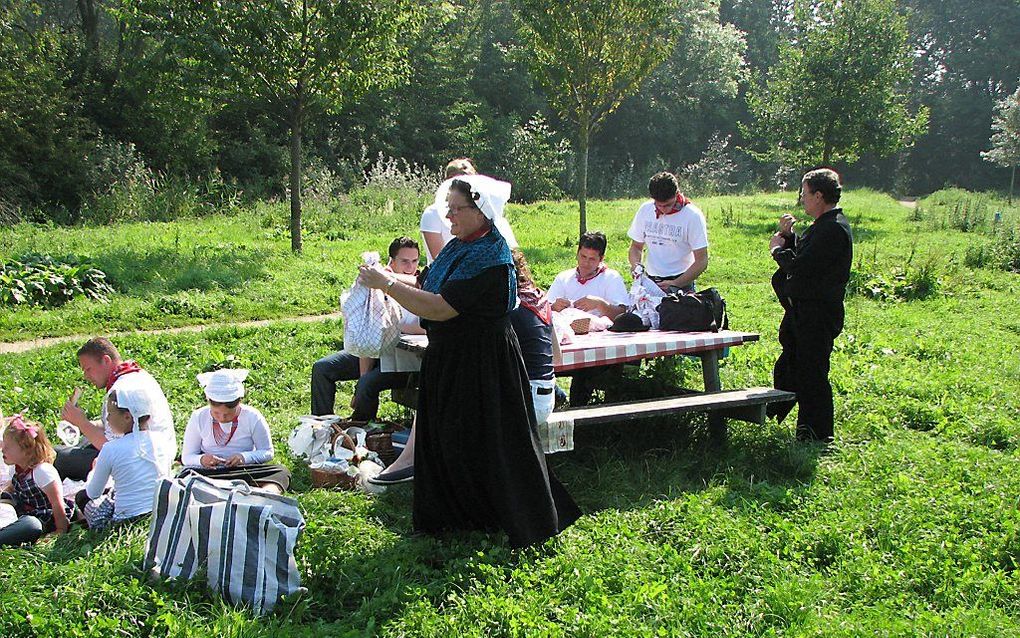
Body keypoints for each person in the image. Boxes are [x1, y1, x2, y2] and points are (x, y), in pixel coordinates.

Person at [358, 175, 580, 548]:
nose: (449, 216)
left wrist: (388, 285)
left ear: (482, 211)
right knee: (448, 437)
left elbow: (442, 308)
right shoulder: (459, 246)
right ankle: (456, 518)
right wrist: (385, 277)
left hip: (483, 363)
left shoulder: (492, 258)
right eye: (449, 207)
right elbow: (429, 287)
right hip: (451, 357)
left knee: (494, 440)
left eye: (457, 208)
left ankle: (515, 517)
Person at [768, 168, 853, 443]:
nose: (801, 199)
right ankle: (800, 427)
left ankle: (817, 435)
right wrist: (790, 237)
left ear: (819, 195)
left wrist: (777, 251)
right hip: (803, 314)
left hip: (817, 314)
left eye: (804, 194)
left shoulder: (833, 228)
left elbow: (801, 267)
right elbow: (806, 255)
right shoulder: (822, 226)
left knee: (813, 374)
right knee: (795, 368)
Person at [310, 236, 426, 420]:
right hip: (376, 352)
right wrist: (361, 379)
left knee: (368, 382)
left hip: (406, 360)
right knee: (322, 368)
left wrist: (400, 326)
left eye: (414, 261)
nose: (410, 268)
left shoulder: (421, 285)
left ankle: (362, 426)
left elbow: (430, 324)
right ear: (391, 262)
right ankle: (322, 427)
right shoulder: (379, 286)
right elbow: (367, 335)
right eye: (404, 261)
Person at [55, 337, 176, 481]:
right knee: (82, 442)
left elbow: (111, 448)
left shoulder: (120, 391)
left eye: (88, 369)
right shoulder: (137, 375)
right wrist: (81, 422)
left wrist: (82, 423)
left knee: (57, 455)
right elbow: (114, 427)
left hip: (139, 464)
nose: (86, 376)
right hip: (155, 451)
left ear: (106, 360)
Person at [77, 382, 173, 530]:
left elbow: (93, 493)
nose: (107, 419)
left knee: (82, 497)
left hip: (125, 520)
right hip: (160, 511)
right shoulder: (161, 439)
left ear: (127, 416)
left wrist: (93, 472)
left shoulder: (111, 449)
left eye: (110, 413)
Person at [179, 369, 291, 493]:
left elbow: (267, 452)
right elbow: (187, 457)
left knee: (281, 472)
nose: (222, 418)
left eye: (227, 414)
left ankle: (265, 495)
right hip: (210, 471)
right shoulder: (199, 416)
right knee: (185, 474)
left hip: (243, 469)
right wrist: (202, 460)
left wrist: (244, 457)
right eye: (216, 413)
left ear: (239, 403)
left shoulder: (252, 416)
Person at [420, 158, 517, 263]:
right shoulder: (432, 215)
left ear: (478, 211)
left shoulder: (492, 251)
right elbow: (438, 263)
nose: (448, 216)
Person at [628, 171, 709, 292]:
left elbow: (702, 260)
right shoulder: (645, 210)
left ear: (677, 194)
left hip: (682, 282)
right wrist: (636, 267)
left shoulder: (692, 216)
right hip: (650, 281)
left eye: (667, 205)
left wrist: (676, 283)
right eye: (658, 205)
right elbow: (636, 247)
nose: (663, 209)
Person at [0, 414, 75, 547]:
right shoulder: (15, 466)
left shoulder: (42, 472)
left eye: (7, 447)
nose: (2, 449)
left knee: (30, 525)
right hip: (24, 507)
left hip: (44, 515)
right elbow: (11, 487)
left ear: (26, 451)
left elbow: (57, 505)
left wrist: (60, 530)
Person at [548, 231, 630, 320]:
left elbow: (622, 314)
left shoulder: (611, 278)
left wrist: (600, 304)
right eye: (583, 256)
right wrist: (554, 307)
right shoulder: (563, 278)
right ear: (577, 253)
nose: (586, 263)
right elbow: (544, 310)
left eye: (592, 259)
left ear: (601, 259)